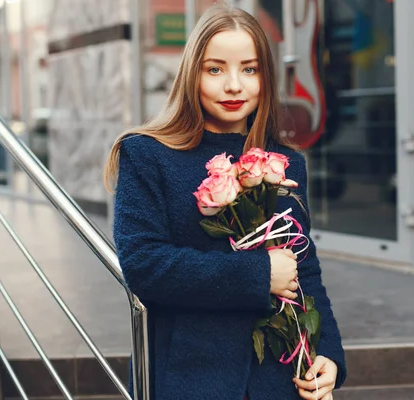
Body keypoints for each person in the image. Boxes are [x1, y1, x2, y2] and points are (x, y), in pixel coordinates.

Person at [103, 4, 346, 399]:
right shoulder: (148, 155)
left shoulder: (288, 163)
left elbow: (304, 268)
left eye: (249, 69)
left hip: (281, 375)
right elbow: (144, 265)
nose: (234, 85)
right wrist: (258, 274)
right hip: (192, 373)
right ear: (191, 74)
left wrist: (328, 354)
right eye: (215, 69)